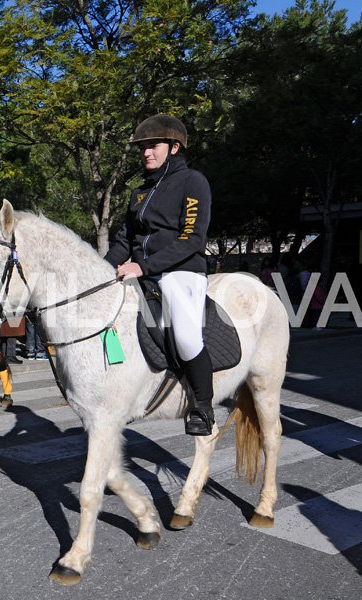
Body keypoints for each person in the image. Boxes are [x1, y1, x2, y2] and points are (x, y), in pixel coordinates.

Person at [104, 114, 214, 436]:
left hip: (182, 271)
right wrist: (103, 270)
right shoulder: (138, 192)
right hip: (142, 274)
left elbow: (192, 238)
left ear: (174, 147)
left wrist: (144, 266)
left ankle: (202, 407)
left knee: (185, 336)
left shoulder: (193, 181)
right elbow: (124, 240)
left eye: (153, 146)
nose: (146, 152)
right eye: (143, 148)